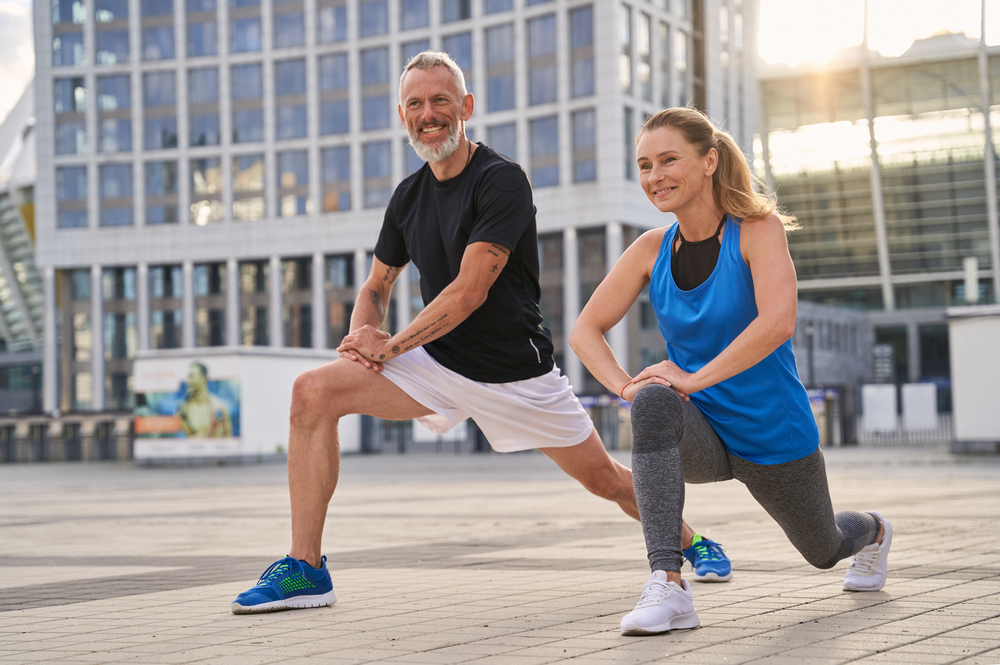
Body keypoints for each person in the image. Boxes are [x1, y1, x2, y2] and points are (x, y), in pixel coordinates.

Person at [230, 53, 730, 615]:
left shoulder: (501, 180)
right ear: (403, 116)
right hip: (436, 366)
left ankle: (692, 540)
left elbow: (469, 292)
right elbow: (376, 285)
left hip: (516, 373)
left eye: (441, 100)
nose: (429, 114)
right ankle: (306, 568)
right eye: (415, 104)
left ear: (465, 107)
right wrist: (362, 341)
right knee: (313, 391)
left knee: (606, 482)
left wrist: (388, 346)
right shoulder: (407, 196)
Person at [570, 108, 893, 637]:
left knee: (824, 548)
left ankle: (875, 531)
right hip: (703, 432)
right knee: (651, 402)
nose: (655, 176)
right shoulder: (650, 249)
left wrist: (693, 380)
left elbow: (777, 323)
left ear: (709, 161)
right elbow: (585, 331)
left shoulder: (756, 231)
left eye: (669, 160)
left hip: (772, 434)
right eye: (645, 165)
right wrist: (628, 385)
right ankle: (669, 585)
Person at [177, 361, 232, 438]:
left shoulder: (219, 407)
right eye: (188, 377)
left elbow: (229, 440)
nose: (188, 381)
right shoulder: (181, 409)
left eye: (191, 376)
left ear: (203, 378)